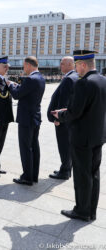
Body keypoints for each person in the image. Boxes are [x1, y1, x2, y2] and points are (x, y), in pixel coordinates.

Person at [52, 50, 106, 222]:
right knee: (94, 174)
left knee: (82, 176)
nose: (76, 69)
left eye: (76, 65)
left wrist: (60, 115)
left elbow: (75, 112)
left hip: (82, 138)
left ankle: (81, 211)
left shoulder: (84, 83)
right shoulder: (103, 80)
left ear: (83, 64)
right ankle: (91, 211)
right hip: (98, 136)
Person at [6, 56, 45, 185]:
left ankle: (27, 177)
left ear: (29, 65)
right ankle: (33, 175)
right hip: (35, 117)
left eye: (24, 65)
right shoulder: (40, 78)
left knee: (25, 148)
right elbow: (26, 92)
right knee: (34, 146)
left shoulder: (30, 79)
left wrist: (11, 85)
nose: (24, 68)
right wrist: (18, 86)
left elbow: (17, 95)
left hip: (26, 119)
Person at [47, 57, 78, 180]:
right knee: (68, 145)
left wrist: (58, 119)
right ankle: (66, 168)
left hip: (63, 120)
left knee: (64, 145)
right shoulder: (75, 76)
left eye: (62, 63)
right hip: (70, 119)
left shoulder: (69, 79)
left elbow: (63, 102)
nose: (60, 65)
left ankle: (65, 171)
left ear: (71, 64)